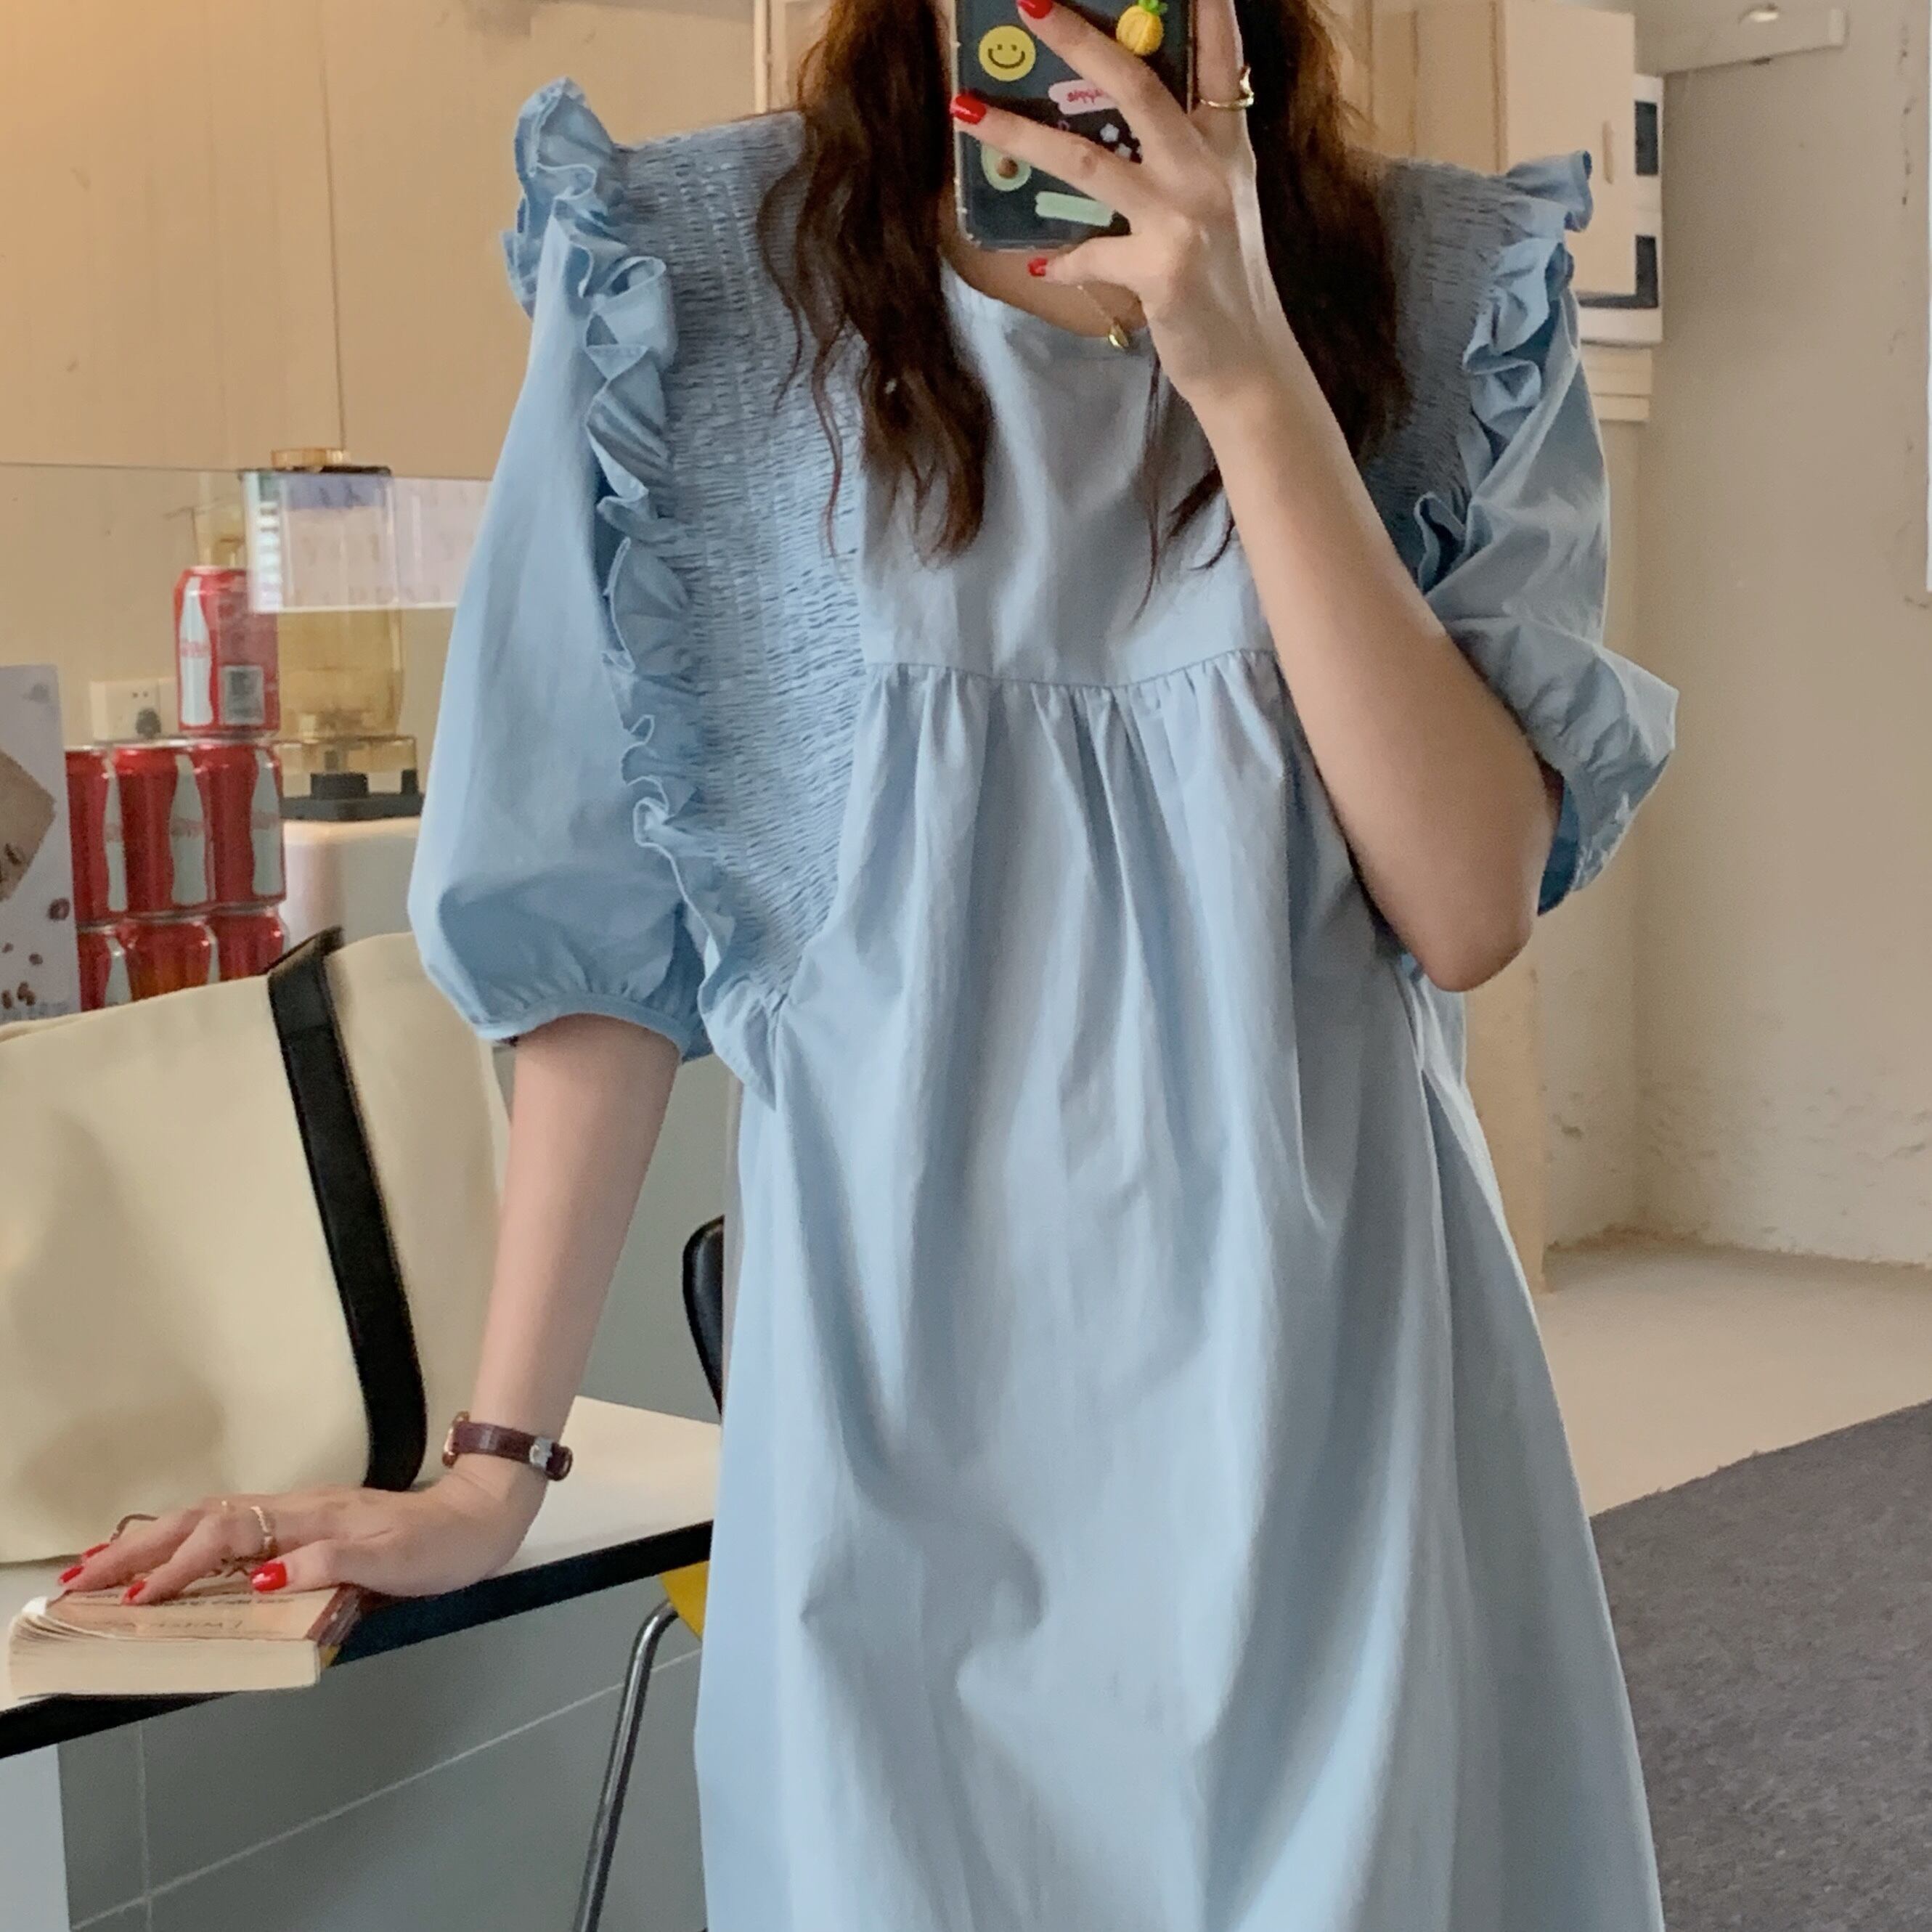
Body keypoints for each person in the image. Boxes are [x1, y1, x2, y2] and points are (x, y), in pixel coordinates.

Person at [64, 0, 1676, 1924]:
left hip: (1330, 1387)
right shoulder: (685, 277)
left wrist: (1244, 363)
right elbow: (603, 945)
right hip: (896, 1417)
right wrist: (491, 1464)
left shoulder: (1445, 283)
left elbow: (1469, 900)